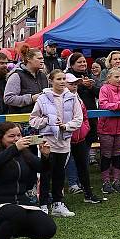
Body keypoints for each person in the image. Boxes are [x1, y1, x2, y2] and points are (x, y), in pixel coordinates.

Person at [29, 69, 83, 216]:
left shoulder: (73, 98)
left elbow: (79, 119)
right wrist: (47, 121)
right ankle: (43, 204)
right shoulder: (42, 98)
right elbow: (33, 120)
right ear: (51, 80)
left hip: (64, 142)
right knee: (45, 174)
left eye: (64, 79)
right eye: (58, 79)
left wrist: (65, 126)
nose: (62, 82)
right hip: (47, 142)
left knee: (60, 173)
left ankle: (58, 204)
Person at [65, 73, 102, 204]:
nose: (74, 86)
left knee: (83, 166)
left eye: (75, 84)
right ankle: (57, 198)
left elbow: (84, 116)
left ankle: (88, 194)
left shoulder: (77, 97)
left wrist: (84, 129)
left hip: (79, 138)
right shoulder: (58, 98)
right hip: (64, 139)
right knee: (57, 168)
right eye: (71, 84)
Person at [4, 45, 47, 114]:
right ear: (29, 59)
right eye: (39, 59)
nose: (42, 61)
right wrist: (31, 98)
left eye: (42, 59)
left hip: (40, 119)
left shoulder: (43, 76)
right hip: (21, 120)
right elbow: (8, 99)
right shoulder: (16, 75)